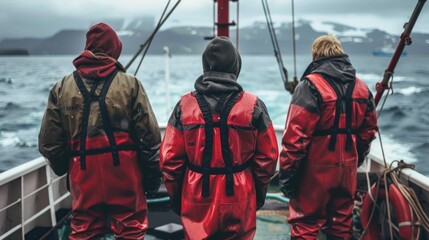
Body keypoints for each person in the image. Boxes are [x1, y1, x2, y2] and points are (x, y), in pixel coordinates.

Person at [38, 22, 161, 240]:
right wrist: (151, 180)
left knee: (84, 231)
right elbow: (149, 139)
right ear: (115, 49)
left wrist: (66, 170)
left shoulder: (61, 87)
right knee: (130, 230)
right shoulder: (130, 84)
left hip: (83, 177)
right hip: (124, 178)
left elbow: (50, 144)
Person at [160, 36, 278, 239]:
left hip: (196, 194)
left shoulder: (184, 107)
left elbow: (170, 160)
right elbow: (268, 158)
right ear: (235, 65)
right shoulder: (254, 106)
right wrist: (256, 195)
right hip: (240, 195)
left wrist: (178, 198)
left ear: (205, 65)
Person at [279, 35, 378, 239]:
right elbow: (368, 132)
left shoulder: (310, 86)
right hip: (347, 170)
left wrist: (287, 175)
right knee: (341, 224)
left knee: (305, 222)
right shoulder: (362, 88)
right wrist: (354, 158)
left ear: (316, 56)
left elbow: (295, 138)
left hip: (315, 172)